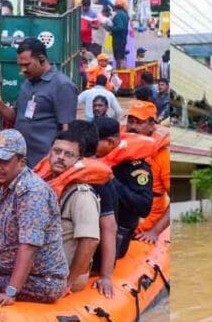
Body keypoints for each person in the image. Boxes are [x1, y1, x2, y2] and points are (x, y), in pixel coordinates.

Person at [0, 130, 68, 305]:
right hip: (3, 265)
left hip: (41, 280)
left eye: (4, 162)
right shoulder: (1, 183)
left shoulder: (32, 192)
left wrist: (11, 292)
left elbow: (29, 246)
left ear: (22, 162)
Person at [34, 130, 111, 293]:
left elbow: (90, 241)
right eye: (57, 151)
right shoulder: (43, 185)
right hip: (42, 267)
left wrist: (68, 282)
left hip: (62, 276)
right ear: (49, 153)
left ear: (79, 160)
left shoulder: (82, 196)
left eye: (68, 154)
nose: (61, 157)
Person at [0, 37, 78, 167]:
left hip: (45, 164)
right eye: (20, 65)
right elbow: (13, 117)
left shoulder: (62, 85)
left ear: (42, 59)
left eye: (27, 65)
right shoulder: (28, 82)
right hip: (21, 161)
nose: (23, 70)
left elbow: (68, 131)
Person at [67, 120, 118, 298]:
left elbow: (109, 227)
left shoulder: (97, 178)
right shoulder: (69, 172)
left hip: (89, 258)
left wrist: (106, 276)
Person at [93, 117, 154, 258]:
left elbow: (144, 207)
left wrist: (112, 181)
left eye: (94, 142)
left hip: (117, 234)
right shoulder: (92, 158)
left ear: (110, 142)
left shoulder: (137, 168)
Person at [126, 101, 171, 244]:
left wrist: (154, 232)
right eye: (131, 121)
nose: (133, 127)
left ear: (152, 125)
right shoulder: (121, 146)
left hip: (145, 226)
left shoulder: (163, 156)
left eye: (139, 122)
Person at [111, 0, 130, 69]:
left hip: (117, 40)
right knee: (122, 57)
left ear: (115, 7)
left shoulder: (117, 16)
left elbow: (120, 26)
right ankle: (123, 71)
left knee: (118, 58)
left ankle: (119, 73)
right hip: (123, 39)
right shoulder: (125, 15)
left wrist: (111, 28)